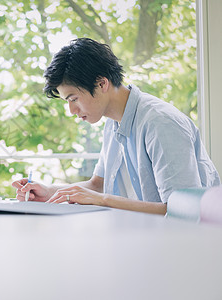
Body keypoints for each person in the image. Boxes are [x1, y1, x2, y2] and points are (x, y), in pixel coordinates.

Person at [12, 38, 220, 215]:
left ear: (102, 84)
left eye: (74, 98)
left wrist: (103, 200)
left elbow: (181, 210)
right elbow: (97, 184)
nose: (71, 111)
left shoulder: (160, 123)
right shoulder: (114, 122)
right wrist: (49, 192)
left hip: (187, 243)